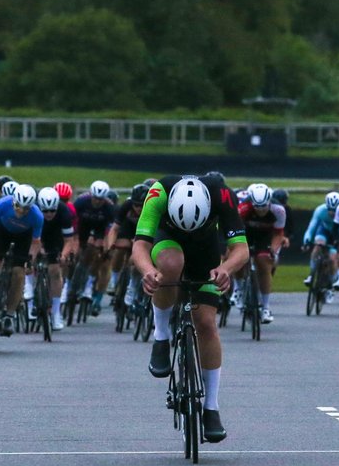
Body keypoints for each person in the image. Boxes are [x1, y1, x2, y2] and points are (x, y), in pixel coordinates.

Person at [133, 174, 248, 444]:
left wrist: (225, 269)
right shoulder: (159, 192)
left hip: (205, 249)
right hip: (167, 242)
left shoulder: (222, 195)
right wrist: (149, 271)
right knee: (171, 265)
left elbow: (241, 249)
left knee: (206, 324)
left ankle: (212, 408)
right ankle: (161, 335)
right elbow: (139, 246)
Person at [0, 183, 43, 336]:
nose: (20, 212)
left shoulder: (37, 216)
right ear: (13, 201)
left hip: (24, 237)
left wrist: (30, 259)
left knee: (18, 274)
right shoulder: (2, 204)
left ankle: (9, 315)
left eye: (25, 209)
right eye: (18, 206)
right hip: (3, 233)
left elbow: (35, 242)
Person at [236, 182, 286, 323]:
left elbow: (278, 234)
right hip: (245, 233)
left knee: (264, 263)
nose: (260, 211)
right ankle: (238, 289)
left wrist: (273, 251)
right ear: (252, 203)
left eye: (264, 207)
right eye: (257, 207)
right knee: (238, 258)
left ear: (269, 201)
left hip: (265, 237)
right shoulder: (243, 208)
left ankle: (265, 307)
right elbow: (233, 230)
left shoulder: (279, 210)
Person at [35, 185, 77, 330]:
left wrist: (64, 255)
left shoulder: (64, 212)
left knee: (55, 271)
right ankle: (29, 296)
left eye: (52, 210)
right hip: (35, 236)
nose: (48, 214)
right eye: (45, 211)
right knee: (28, 262)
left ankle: (55, 312)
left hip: (55, 238)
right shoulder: (34, 211)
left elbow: (69, 241)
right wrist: (38, 249)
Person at [72, 180, 116, 315]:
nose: (97, 202)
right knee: (78, 251)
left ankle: (89, 284)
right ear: (91, 195)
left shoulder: (109, 208)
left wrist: (106, 247)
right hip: (82, 226)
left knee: (98, 250)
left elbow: (111, 230)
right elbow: (72, 222)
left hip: (100, 229)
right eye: (95, 198)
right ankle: (73, 279)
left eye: (100, 199)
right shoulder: (80, 202)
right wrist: (75, 242)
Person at [302, 192, 339, 299]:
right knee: (317, 246)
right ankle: (311, 275)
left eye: (335, 211)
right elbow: (311, 227)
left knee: (333, 258)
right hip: (324, 231)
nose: (332, 213)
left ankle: (332, 284)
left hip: (337, 234)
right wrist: (306, 240)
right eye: (330, 209)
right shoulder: (320, 210)